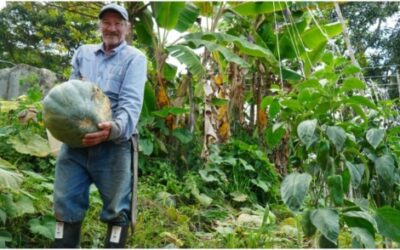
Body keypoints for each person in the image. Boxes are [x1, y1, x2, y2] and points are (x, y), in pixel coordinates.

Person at [52, 3, 147, 248]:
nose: (112, 28)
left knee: (117, 210)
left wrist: (111, 130)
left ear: (126, 27)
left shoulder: (135, 59)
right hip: (76, 142)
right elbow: (70, 94)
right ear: (100, 25)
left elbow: (131, 105)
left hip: (114, 145)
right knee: (65, 202)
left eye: (118, 23)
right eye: (107, 22)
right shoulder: (83, 53)